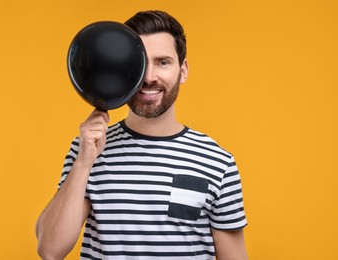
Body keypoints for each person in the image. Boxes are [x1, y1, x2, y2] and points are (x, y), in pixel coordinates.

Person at [36, 10, 248, 260]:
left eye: (163, 62)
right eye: (141, 63)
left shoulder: (217, 162)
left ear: (183, 70)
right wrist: (83, 163)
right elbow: (50, 250)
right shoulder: (88, 151)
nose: (149, 77)